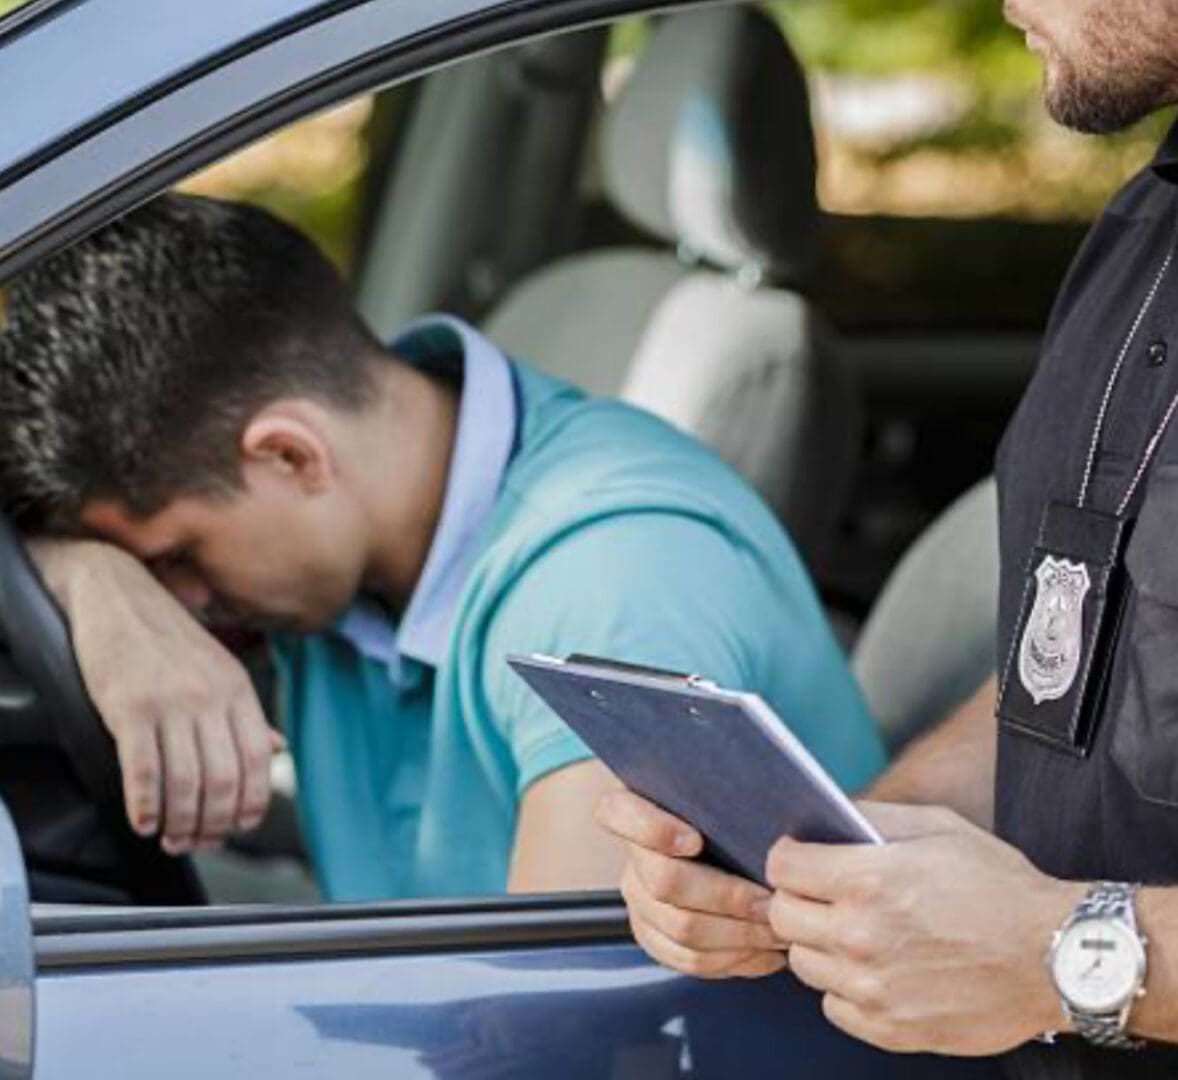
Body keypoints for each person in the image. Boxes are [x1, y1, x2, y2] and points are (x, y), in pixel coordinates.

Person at [0, 193, 885, 901]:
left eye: (179, 556)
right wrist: (92, 582)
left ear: (289, 455)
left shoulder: (610, 582)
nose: (179, 603)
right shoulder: (354, 529)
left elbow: (556, 1033)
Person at [596, 0, 1178, 1075]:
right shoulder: (1139, 231)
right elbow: (1071, 688)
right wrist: (823, 863)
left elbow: (1040, 943)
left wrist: (1055, 949)